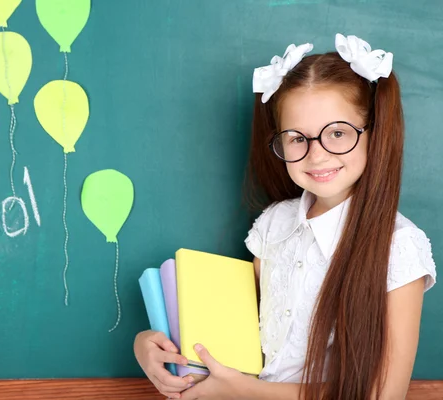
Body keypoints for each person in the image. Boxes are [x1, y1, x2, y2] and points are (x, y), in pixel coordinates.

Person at [133, 33, 437, 400]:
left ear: (374, 134)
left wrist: (245, 391)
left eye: (338, 133)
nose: (317, 155)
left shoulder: (399, 247)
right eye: (297, 138)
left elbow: (383, 395)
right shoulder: (274, 224)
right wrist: (149, 345)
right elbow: (240, 340)